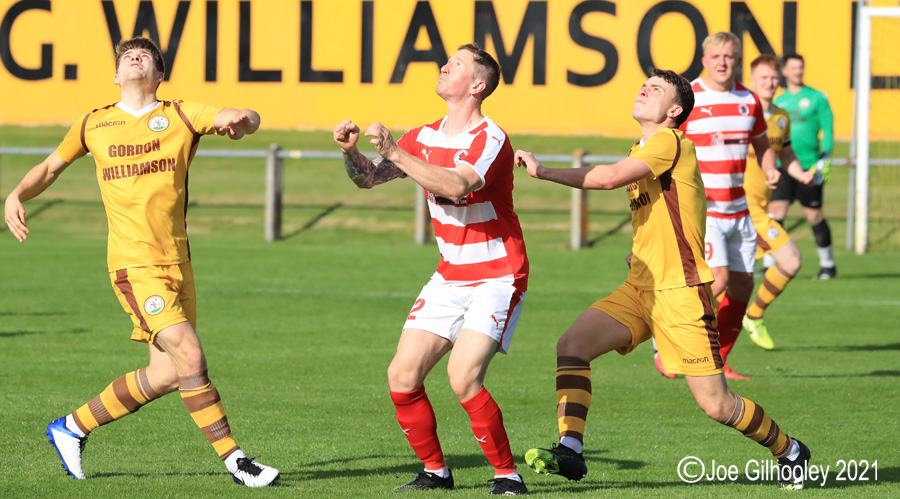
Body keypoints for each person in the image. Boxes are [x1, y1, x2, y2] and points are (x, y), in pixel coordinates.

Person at [514, 68, 810, 490]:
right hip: (640, 287)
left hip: (682, 292)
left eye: (655, 89)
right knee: (572, 346)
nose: (643, 90)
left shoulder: (669, 141)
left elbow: (608, 177)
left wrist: (544, 172)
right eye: (643, 85)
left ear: (674, 110)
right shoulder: (643, 146)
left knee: (717, 405)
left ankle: (790, 451)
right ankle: (571, 451)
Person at [3, 37, 278, 487]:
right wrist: (15, 194)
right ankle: (237, 462)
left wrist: (243, 119)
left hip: (178, 262)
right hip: (133, 264)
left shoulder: (180, 114)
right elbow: (50, 167)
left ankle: (71, 427)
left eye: (145, 56)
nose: (135, 58)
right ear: (115, 75)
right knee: (190, 354)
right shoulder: (94, 122)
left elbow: (245, 118)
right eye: (127, 56)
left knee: (167, 374)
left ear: (159, 74)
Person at [332, 43, 529, 496]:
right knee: (401, 377)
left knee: (463, 376)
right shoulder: (425, 135)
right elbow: (368, 178)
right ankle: (436, 472)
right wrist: (351, 151)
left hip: (498, 273)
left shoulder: (490, 138)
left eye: (456, 64)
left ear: (477, 85)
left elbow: (458, 186)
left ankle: (507, 477)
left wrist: (397, 153)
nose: (445, 67)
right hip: (450, 274)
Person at [667, 31, 782, 381]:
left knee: (743, 286)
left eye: (729, 56)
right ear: (704, 60)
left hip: (740, 210)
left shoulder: (749, 99)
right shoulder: (689, 98)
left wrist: (771, 166)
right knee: (716, 280)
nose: (722, 62)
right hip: (705, 209)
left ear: (737, 60)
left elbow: (762, 144)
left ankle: (720, 360)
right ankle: (667, 343)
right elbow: (664, 141)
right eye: (716, 56)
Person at [742, 55, 816, 349]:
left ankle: (753, 316)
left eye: (773, 78)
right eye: (763, 78)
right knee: (721, 284)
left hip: (758, 211)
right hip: (737, 210)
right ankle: (674, 341)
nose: (769, 83)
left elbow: (785, 155)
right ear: (752, 80)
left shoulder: (782, 117)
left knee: (789, 261)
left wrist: (801, 174)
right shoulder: (741, 112)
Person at [771, 53, 837, 280]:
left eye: (801, 67)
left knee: (814, 216)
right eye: (793, 68)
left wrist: (824, 159)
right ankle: (771, 263)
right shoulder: (778, 101)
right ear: (785, 71)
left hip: (809, 167)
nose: (798, 71)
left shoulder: (817, 97)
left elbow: (827, 129)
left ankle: (827, 263)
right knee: (775, 214)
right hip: (782, 166)